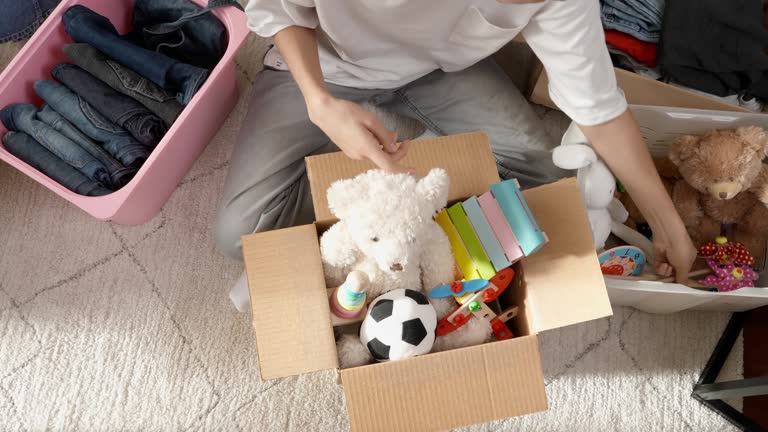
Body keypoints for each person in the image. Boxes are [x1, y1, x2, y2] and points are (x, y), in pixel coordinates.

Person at [217, 0, 697, 310]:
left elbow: (601, 110)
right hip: (325, 63)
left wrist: (669, 224)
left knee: (549, 183)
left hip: (436, 71)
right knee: (242, 234)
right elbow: (276, 9)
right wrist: (321, 104)